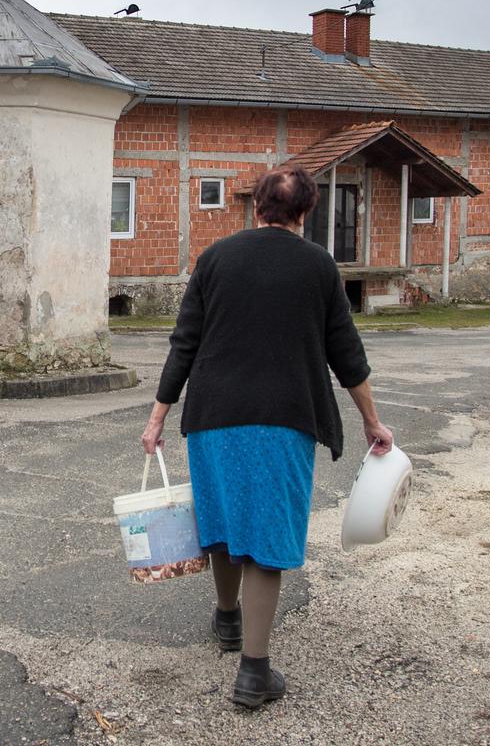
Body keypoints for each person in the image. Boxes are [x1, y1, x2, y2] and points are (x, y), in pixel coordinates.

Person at [139, 163, 393, 709]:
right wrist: (372, 422)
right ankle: (254, 670)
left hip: (213, 418)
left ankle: (228, 620)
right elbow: (347, 355)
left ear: (257, 207)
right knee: (268, 537)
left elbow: (184, 344)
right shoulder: (320, 267)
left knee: (226, 520)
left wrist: (157, 417)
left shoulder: (214, 259)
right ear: (306, 212)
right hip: (283, 419)